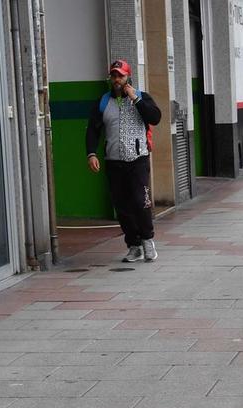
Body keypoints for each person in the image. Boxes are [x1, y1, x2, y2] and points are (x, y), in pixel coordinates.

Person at [85, 60, 163, 262]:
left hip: (138, 160)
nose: (117, 79)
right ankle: (134, 245)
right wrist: (91, 153)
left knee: (141, 201)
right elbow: (93, 130)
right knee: (122, 206)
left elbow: (155, 117)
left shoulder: (141, 97)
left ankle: (147, 240)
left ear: (128, 76)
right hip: (114, 162)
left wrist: (135, 99)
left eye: (120, 75)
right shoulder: (103, 102)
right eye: (114, 76)